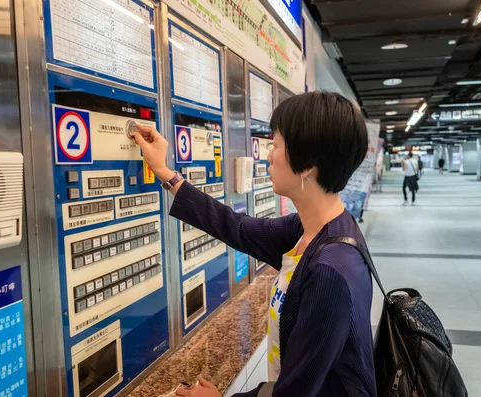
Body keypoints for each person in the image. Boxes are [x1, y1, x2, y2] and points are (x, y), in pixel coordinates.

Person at [134, 91, 376, 397]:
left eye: (275, 145)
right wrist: (166, 174)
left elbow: (296, 393)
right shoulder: (313, 228)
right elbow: (237, 227)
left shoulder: (331, 270)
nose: (267, 155)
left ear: (308, 164)